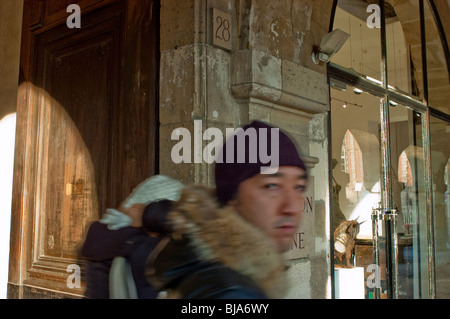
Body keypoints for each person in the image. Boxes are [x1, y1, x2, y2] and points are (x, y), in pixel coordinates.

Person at [144, 120, 308, 299]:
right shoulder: (231, 293)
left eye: (299, 187)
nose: (292, 207)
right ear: (232, 197)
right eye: (271, 186)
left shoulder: (210, 266)